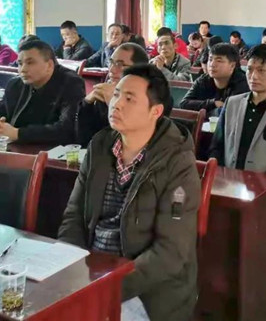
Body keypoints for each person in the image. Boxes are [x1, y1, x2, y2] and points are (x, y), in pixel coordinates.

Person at [59, 64, 200, 321]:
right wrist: (72, 267)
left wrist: (107, 287)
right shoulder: (100, 145)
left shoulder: (177, 162)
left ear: (155, 111)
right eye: (116, 94)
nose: (117, 104)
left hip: (145, 289)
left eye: (129, 99)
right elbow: (74, 214)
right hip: (91, 271)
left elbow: (170, 252)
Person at [209, 45, 266, 209]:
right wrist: (222, 178)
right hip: (228, 186)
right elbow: (216, 147)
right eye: (250, 70)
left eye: (261, 71)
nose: (253, 76)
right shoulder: (232, 103)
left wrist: (257, 186)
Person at [0, 39, 86, 144]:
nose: (23, 69)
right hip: (17, 149)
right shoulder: (15, 85)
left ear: (49, 65)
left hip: (52, 151)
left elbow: (67, 129)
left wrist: (18, 134)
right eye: (20, 63)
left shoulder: (71, 83)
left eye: (30, 63)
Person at [76, 43, 150, 146]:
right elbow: (85, 139)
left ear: (139, 70)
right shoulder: (105, 92)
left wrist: (114, 104)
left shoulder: (150, 98)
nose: (111, 69)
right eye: (111, 62)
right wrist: (86, 104)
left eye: (120, 65)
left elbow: (133, 143)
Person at [180, 43, 249, 116]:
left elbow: (233, 111)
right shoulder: (203, 80)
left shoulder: (243, 83)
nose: (212, 64)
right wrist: (213, 103)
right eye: (210, 59)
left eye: (219, 61)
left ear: (232, 65)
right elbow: (184, 104)